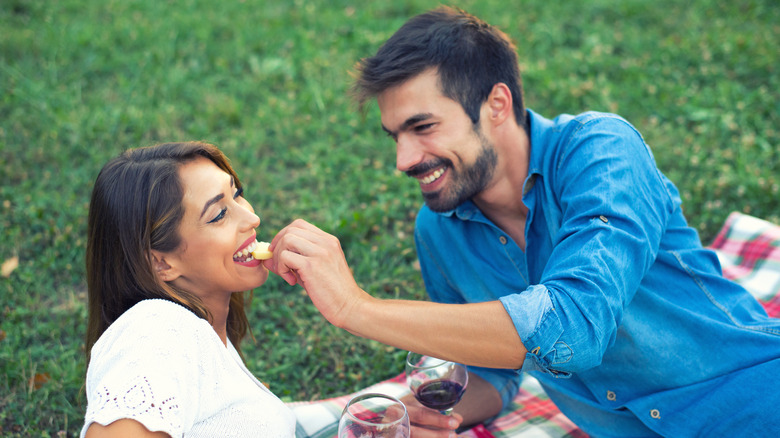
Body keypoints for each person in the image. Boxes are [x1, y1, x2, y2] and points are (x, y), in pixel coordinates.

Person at [263, 6, 780, 437]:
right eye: (394, 135)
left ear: (496, 104)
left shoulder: (601, 150)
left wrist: (355, 308)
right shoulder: (439, 229)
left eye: (422, 127)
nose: (403, 160)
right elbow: (490, 370)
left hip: (750, 402)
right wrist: (451, 416)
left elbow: (573, 328)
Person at [81, 142, 295, 437]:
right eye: (219, 214)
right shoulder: (157, 330)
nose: (252, 218)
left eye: (237, 195)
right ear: (161, 263)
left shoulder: (197, 327)